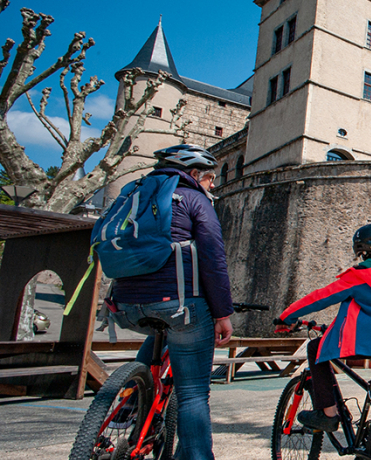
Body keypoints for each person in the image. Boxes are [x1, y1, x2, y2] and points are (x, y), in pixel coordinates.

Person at [110, 144, 233, 460]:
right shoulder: (193, 199)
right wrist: (222, 313)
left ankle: (128, 406)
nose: (213, 185)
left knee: (158, 334)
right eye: (209, 178)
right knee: (193, 393)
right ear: (194, 174)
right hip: (179, 302)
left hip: (126, 304)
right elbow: (213, 260)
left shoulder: (133, 194)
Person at [278, 223, 371, 432]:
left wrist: (287, 316)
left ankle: (328, 414)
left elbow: (320, 298)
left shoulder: (357, 276)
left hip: (368, 342)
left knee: (316, 348)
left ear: (363, 253)